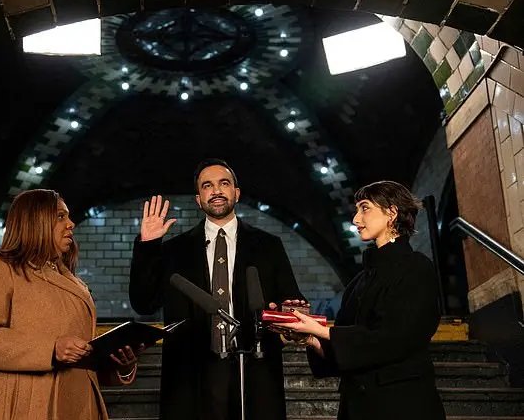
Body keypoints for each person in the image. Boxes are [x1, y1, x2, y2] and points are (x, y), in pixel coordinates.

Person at [129, 159, 307, 420]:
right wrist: (148, 246)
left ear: (237, 192)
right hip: (192, 376)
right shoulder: (175, 250)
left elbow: (291, 300)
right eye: (207, 186)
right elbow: (143, 303)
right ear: (198, 200)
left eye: (224, 183)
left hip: (253, 370)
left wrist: (291, 313)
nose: (216, 190)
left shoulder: (268, 245)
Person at [0, 189, 140, 420]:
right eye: (61, 216)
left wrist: (120, 365)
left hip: (75, 406)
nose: (71, 224)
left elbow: (80, 360)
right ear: (34, 221)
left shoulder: (75, 284)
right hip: (15, 405)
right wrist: (51, 349)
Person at [273, 180, 446, 420]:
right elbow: (348, 353)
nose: (355, 219)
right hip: (356, 407)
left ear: (392, 212)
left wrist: (320, 330)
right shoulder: (358, 282)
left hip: (402, 405)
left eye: (365, 208)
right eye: (357, 210)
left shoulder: (416, 267)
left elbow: (394, 339)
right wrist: (310, 337)